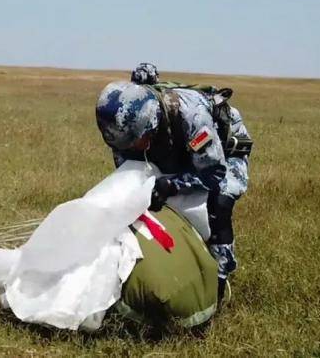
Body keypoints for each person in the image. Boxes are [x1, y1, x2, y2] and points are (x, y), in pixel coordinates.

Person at [95, 63, 252, 302]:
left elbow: (213, 173)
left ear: (152, 124)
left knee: (220, 202)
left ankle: (221, 277)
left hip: (222, 152)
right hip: (178, 148)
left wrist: (172, 185)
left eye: (137, 142)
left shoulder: (193, 117)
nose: (132, 149)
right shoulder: (124, 133)